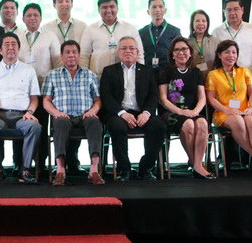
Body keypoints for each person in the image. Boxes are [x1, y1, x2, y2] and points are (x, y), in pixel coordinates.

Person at [205, 39, 252, 179]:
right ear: (219, 55)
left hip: (246, 109)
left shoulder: (244, 71)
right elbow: (211, 98)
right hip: (224, 112)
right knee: (238, 122)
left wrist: (251, 107)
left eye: (234, 52)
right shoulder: (213, 74)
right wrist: (226, 110)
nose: (231, 55)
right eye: (227, 52)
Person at [100, 36, 163, 181]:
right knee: (116, 126)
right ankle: (124, 169)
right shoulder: (109, 71)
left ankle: (146, 167)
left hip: (141, 112)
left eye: (131, 48)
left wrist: (146, 113)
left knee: (158, 126)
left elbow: (154, 96)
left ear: (137, 51)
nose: (128, 51)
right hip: (118, 113)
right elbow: (106, 97)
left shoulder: (147, 70)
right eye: (124, 48)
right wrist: (122, 113)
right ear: (118, 52)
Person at [42, 40, 104, 186]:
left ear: (79, 55)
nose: (71, 55)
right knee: (61, 122)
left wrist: (92, 111)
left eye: (74, 52)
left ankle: (94, 170)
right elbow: (46, 101)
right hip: (63, 115)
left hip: (84, 115)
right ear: (61, 56)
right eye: (67, 52)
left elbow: (98, 100)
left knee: (95, 121)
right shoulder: (52, 75)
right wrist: (56, 112)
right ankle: (60, 171)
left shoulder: (90, 75)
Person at [0, 33, 42, 183]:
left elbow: (34, 98)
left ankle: (25, 170)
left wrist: (30, 112)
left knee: (35, 127)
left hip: (22, 115)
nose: (10, 48)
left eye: (14, 44)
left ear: (19, 48)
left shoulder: (28, 70)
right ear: (0, 50)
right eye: (6, 45)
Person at [158, 36, 211, 179]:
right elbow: (163, 98)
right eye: (177, 50)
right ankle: (195, 163)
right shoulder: (166, 71)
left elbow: (202, 98)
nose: (181, 52)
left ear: (190, 52)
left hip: (192, 111)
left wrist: (195, 111)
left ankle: (198, 164)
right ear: (172, 53)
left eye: (184, 49)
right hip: (171, 112)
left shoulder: (196, 73)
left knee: (202, 123)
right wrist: (181, 112)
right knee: (188, 125)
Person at [15, 3, 60, 173]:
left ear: (41, 18)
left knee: (40, 129)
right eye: (29, 15)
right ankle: (19, 164)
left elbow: (57, 64)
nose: (32, 18)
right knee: (21, 128)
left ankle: (40, 165)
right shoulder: (16, 35)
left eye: (36, 15)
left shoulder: (50, 36)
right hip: (21, 92)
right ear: (23, 18)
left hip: (43, 91)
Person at [79, 0, 144, 79]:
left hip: (126, 77)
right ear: (99, 10)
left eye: (112, 7)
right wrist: (84, 77)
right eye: (104, 7)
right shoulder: (90, 30)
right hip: (98, 77)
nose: (108, 10)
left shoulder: (130, 28)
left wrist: (141, 74)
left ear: (117, 8)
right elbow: (83, 56)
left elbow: (139, 54)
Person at [212, 0, 252, 70]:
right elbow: (215, 56)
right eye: (229, 10)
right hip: (226, 76)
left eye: (236, 9)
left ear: (242, 10)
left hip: (249, 74)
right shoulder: (217, 32)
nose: (233, 13)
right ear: (224, 11)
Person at [139, 0, 181, 71]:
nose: (158, 10)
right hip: (147, 71)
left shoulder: (175, 31)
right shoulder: (141, 32)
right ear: (148, 11)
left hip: (168, 71)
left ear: (165, 10)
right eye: (154, 7)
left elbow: (179, 52)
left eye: (160, 7)